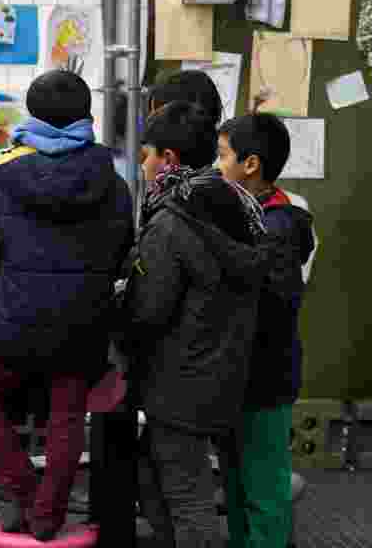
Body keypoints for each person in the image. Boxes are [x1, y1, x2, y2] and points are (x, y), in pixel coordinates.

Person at [0, 70, 134, 541]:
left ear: (31, 118)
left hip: (14, 321)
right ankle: (47, 515)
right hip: (83, 323)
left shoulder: (4, 177)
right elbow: (121, 253)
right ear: (87, 118)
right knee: (67, 413)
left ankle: (27, 495)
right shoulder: (113, 183)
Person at [116, 98, 270, 548]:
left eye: (145, 155)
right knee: (157, 475)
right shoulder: (238, 206)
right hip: (221, 366)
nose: (141, 166)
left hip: (180, 377)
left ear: (168, 159)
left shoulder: (172, 220)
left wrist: (123, 305)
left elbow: (150, 310)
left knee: (187, 495)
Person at [217, 113, 315, 548]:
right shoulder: (247, 217)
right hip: (236, 374)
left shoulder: (278, 229)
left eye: (222, 157)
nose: (217, 166)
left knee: (265, 489)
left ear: (250, 164)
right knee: (237, 485)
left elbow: (272, 309)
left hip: (264, 378)